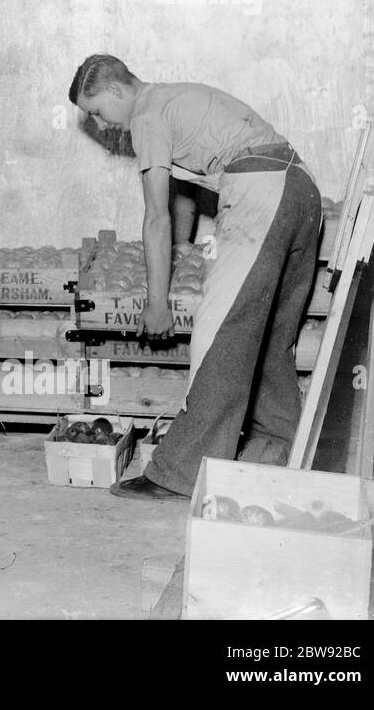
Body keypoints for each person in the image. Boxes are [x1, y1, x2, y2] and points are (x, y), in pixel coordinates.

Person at [68, 54, 322, 500]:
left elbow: (156, 218)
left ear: (114, 91)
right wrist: (182, 255)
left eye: (97, 113)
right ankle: (280, 446)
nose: (102, 125)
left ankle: (178, 474)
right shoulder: (171, 98)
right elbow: (183, 198)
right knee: (269, 336)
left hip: (261, 190)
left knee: (217, 334)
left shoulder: (146, 114)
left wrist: (158, 303)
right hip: (301, 191)